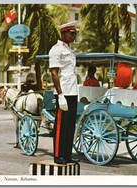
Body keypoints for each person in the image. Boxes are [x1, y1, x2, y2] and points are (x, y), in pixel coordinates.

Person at [49, 21, 80, 164]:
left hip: (72, 91)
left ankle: (67, 154)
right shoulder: (56, 50)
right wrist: (60, 95)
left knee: (70, 125)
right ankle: (58, 155)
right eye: (71, 33)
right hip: (63, 92)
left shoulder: (69, 50)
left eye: (75, 34)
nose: (74, 36)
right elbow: (54, 73)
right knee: (61, 125)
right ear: (63, 33)